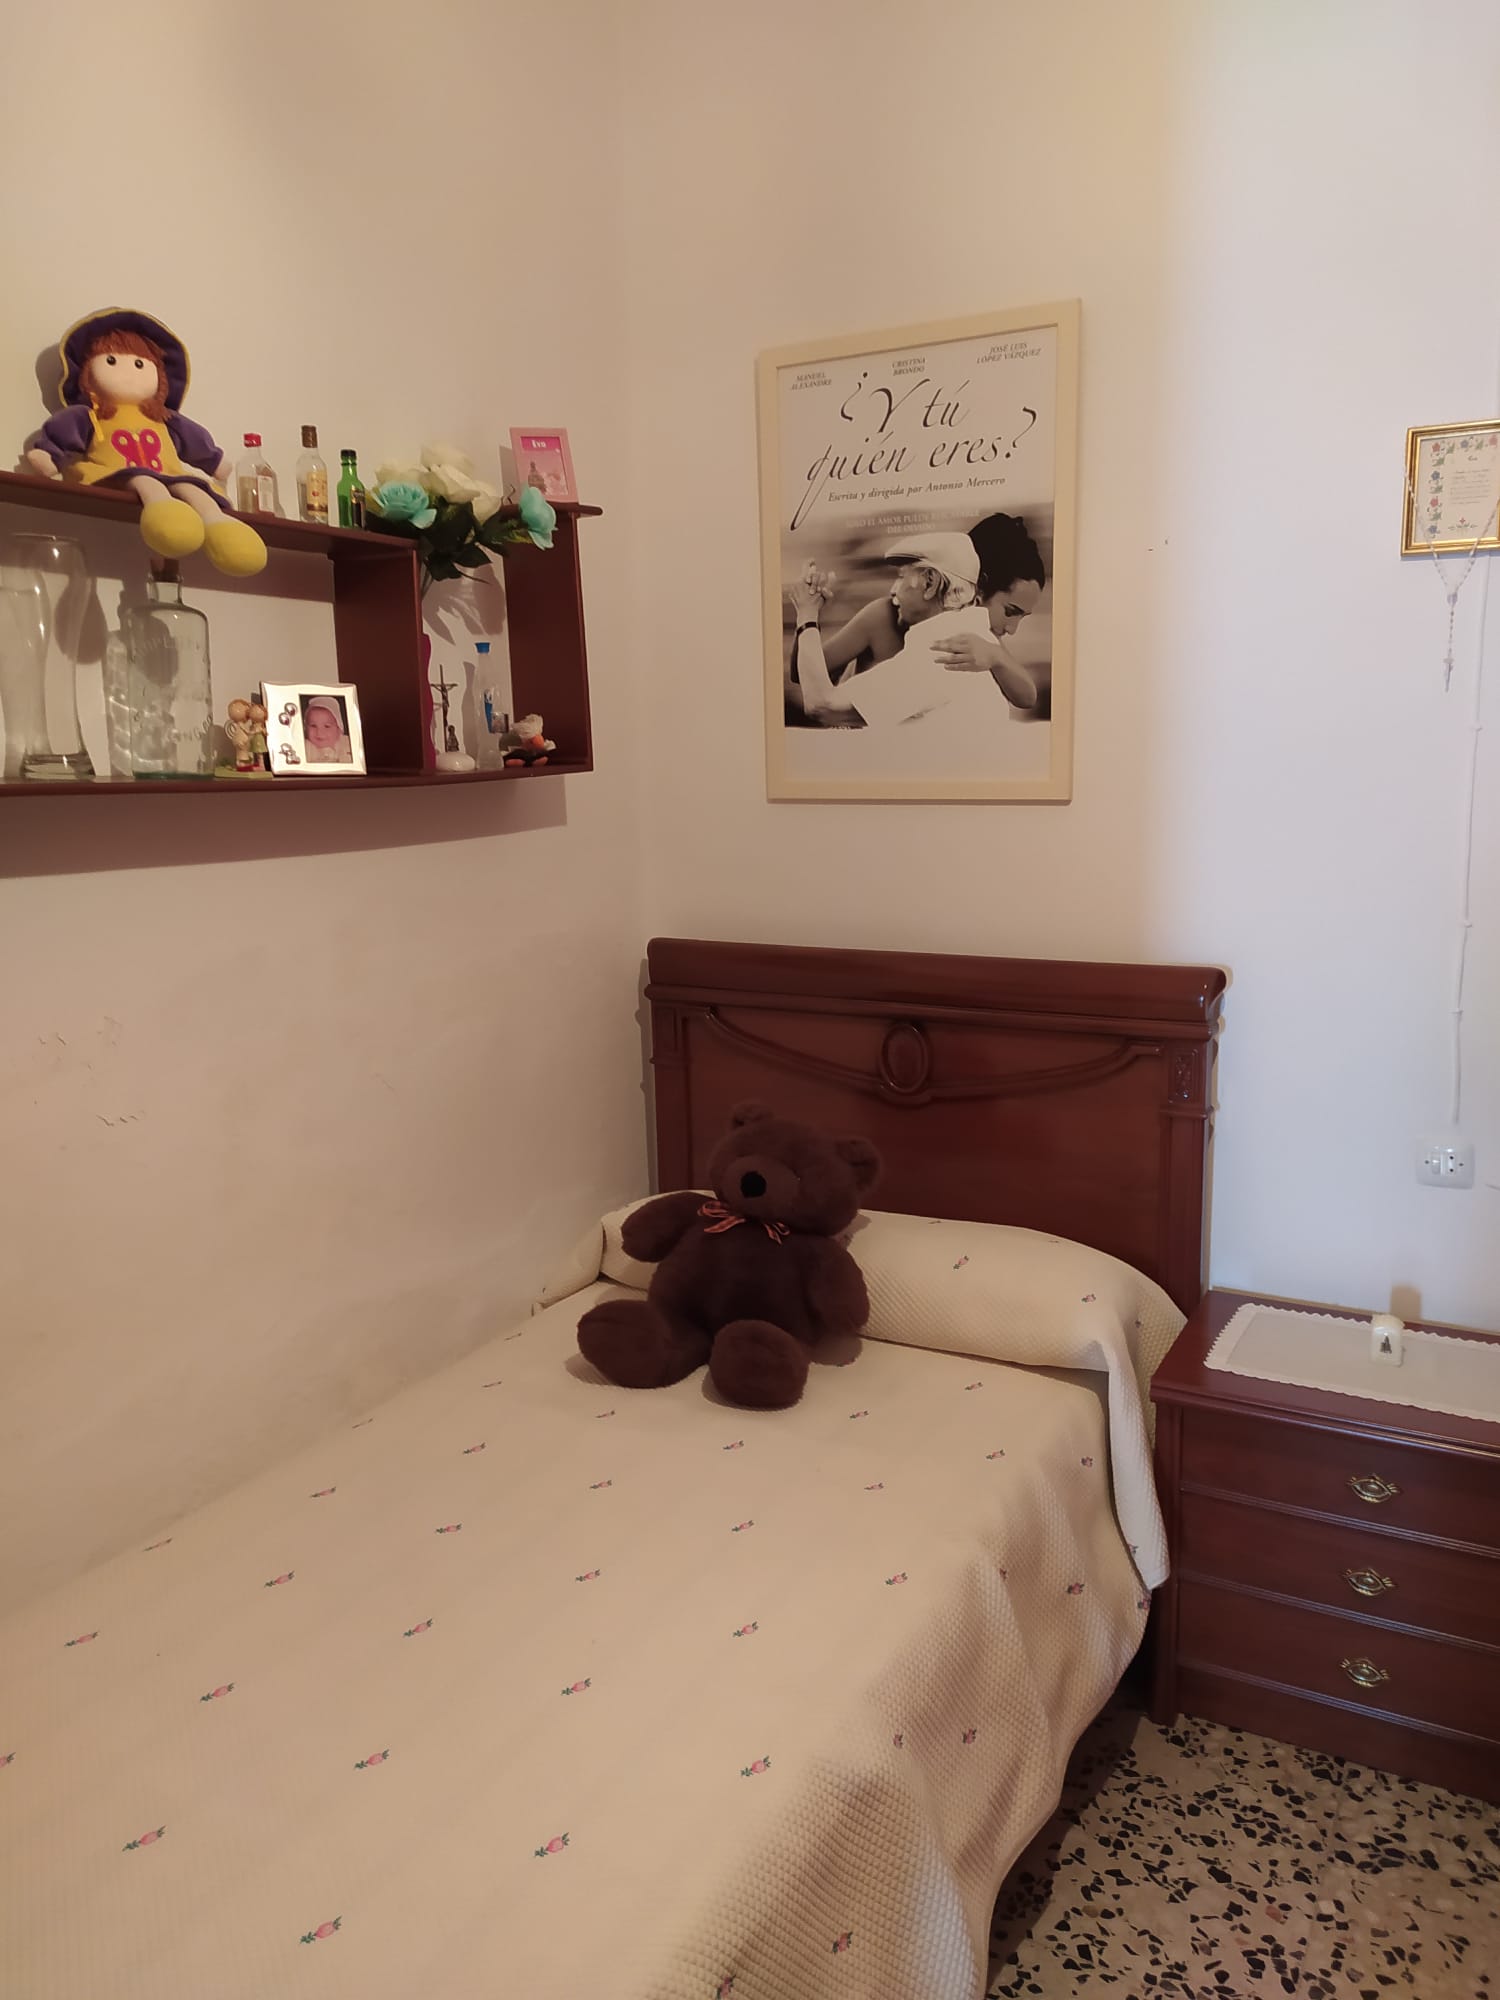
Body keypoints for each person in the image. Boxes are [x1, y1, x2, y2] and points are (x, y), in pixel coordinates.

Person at [784, 511, 1047, 721]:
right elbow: (804, 674)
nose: (1012, 629)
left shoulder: (971, 642)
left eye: (902, 576)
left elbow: (1027, 696)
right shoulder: (885, 615)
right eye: (1010, 612)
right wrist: (810, 619)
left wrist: (996, 656)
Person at [789, 535, 1003, 734]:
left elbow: (822, 705)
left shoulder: (938, 657)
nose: (893, 590)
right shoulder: (976, 639)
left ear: (930, 583)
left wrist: (807, 613)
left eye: (901, 577)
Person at [303, 696, 352, 764]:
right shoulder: (306, 748)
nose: (319, 732)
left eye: (327, 726)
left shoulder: (347, 743)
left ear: (339, 729)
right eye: (313, 726)